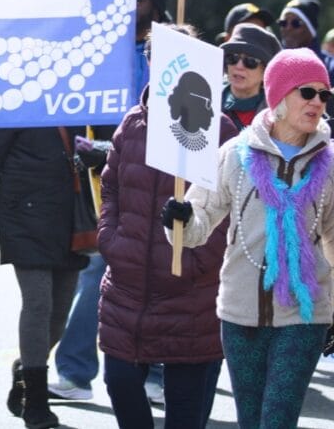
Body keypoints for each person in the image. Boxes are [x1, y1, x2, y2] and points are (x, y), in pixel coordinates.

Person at [164, 47, 334, 428]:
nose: (318, 102)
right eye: (307, 92)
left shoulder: (331, 163)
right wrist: (179, 219)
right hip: (239, 316)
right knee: (251, 421)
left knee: (276, 421)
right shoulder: (235, 155)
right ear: (278, 97)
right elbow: (198, 223)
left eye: (325, 94)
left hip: (304, 316)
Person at [99, 24, 237, 429]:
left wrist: (195, 259)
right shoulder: (132, 125)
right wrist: (113, 241)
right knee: (120, 385)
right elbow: (110, 189)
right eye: (153, 58)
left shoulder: (221, 132)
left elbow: (230, 212)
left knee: (185, 415)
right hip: (127, 292)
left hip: (190, 298)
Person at [49, 0, 172, 404]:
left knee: (160, 274)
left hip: (162, 176)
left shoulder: (174, 51)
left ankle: (157, 372)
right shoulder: (101, 48)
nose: (133, 4)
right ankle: (76, 372)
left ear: (157, 4)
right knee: (99, 270)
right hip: (109, 178)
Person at [0, 124, 89, 429]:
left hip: (72, 221)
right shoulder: (18, 105)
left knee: (59, 315)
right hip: (25, 221)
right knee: (38, 304)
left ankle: (26, 370)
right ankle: (37, 404)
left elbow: (109, 148)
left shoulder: (82, 100)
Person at [220, 23, 282, 131]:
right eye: (233, 58)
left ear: (266, 73)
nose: (239, 66)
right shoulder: (207, 98)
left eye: (250, 61)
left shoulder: (278, 117)